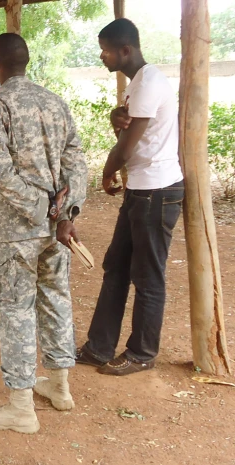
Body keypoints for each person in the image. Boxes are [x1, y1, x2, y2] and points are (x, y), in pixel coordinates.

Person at [0, 33, 87, 434]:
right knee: (56, 298)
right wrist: (66, 213)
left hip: (18, 232)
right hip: (58, 230)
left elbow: (2, 174)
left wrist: (40, 213)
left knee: (16, 310)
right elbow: (76, 160)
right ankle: (59, 388)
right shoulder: (55, 103)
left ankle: (21, 408)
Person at [76, 19, 184, 376]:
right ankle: (99, 347)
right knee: (116, 267)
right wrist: (114, 115)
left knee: (148, 275)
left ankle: (141, 353)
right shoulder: (139, 83)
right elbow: (129, 127)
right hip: (142, 188)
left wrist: (107, 171)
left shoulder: (148, 81)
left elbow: (128, 144)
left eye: (106, 50)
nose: (102, 56)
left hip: (157, 189)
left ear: (125, 50)